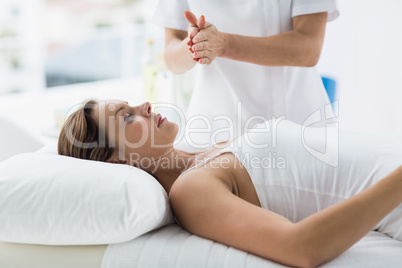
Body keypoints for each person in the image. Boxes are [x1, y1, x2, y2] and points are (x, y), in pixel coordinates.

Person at [58, 99, 402, 267]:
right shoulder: (191, 190)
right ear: (119, 161)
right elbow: (302, 248)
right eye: (128, 117)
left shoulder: (205, 151)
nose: (144, 105)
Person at [153, 0, 340, 147]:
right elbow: (171, 58)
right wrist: (196, 45)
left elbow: (308, 48)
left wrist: (223, 44)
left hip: (297, 124)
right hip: (215, 131)